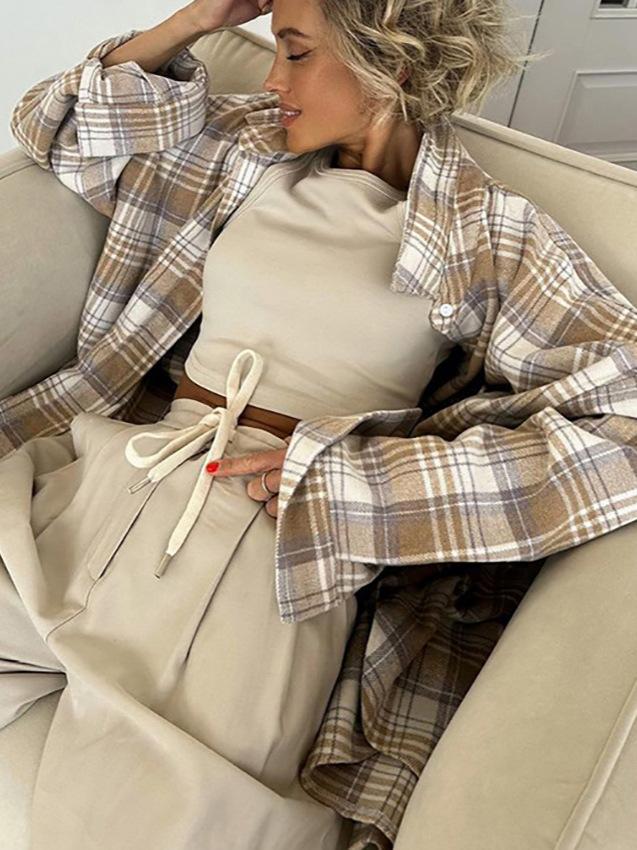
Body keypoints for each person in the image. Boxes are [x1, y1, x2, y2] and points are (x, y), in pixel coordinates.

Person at [3, 1, 637, 849]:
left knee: (144, 827)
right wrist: (196, 21)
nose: (272, 78)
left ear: (390, 65)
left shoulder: (485, 232)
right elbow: (59, 129)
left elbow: (626, 416)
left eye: (296, 53)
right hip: (108, 477)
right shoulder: (243, 148)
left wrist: (362, 487)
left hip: (267, 550)